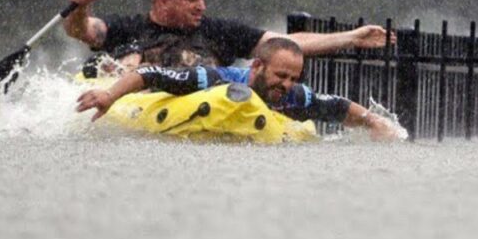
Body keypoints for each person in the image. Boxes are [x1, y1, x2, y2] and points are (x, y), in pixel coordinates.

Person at [76, 37, 405, 142]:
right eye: (280, 76)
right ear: (257, 67)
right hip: (172, 107)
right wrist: (109, 95)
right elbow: (151, 73)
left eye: (293, 78)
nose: (286, 85)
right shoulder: (214, 78)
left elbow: (337, 105)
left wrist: (375, 122)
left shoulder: (291, 94)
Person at [64, 0, 393, 68]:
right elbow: (83, 31)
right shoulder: (129, 28)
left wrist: (350, 37)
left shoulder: (220, 31)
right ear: (164, 1)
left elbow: (283, 44)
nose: (201, 7)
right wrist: (80, 5)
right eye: (192, 0)